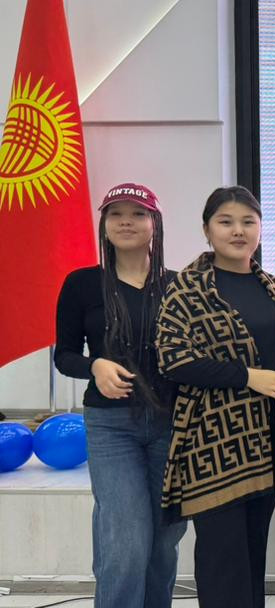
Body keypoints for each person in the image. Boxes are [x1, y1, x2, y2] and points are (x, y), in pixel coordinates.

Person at [157, 186, 275, 608]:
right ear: (207, 230)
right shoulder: (185, 289)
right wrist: (248, 377)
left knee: (253, 546)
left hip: (269, 435)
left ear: (260, 230)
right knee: (222, 553)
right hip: (212, 439)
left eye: (248, 222)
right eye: (226, 222)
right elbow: (173, 360)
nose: (238, 231)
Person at [54, 183, 186, 608]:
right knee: (126, 538)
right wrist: (95, 365)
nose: (126, 222)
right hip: (111, 426)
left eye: (138, 213)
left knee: (164, 540)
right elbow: (65, 355)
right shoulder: (81, 284)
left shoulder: (179, 286)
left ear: (155, 224)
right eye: (116, 214)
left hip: (171, 424)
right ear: (104, 225)